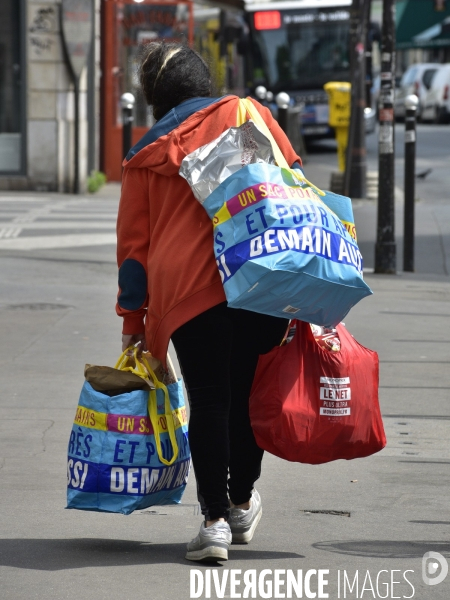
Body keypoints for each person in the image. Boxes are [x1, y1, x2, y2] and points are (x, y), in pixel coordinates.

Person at [116, 41, 302, 562]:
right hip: (258, 275)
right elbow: (292, 173)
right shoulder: (247, 113)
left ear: (153, 97)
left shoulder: (142, 156)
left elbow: (134, 252)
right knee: (248, 395)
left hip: (188, 293)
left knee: (211, 398)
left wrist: (133, 321)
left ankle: (215, 521)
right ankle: (241, 501)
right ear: (205, 83)